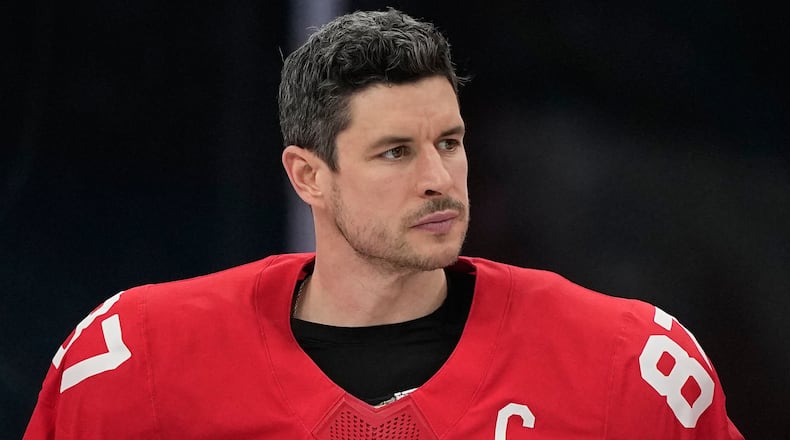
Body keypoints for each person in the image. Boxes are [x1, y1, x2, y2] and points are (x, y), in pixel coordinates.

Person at [24, 8, 743, 439]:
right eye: (395, 152)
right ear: (308, 175)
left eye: (450, 143)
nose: (438, 177)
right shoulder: (136, 366)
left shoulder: (626, 368)